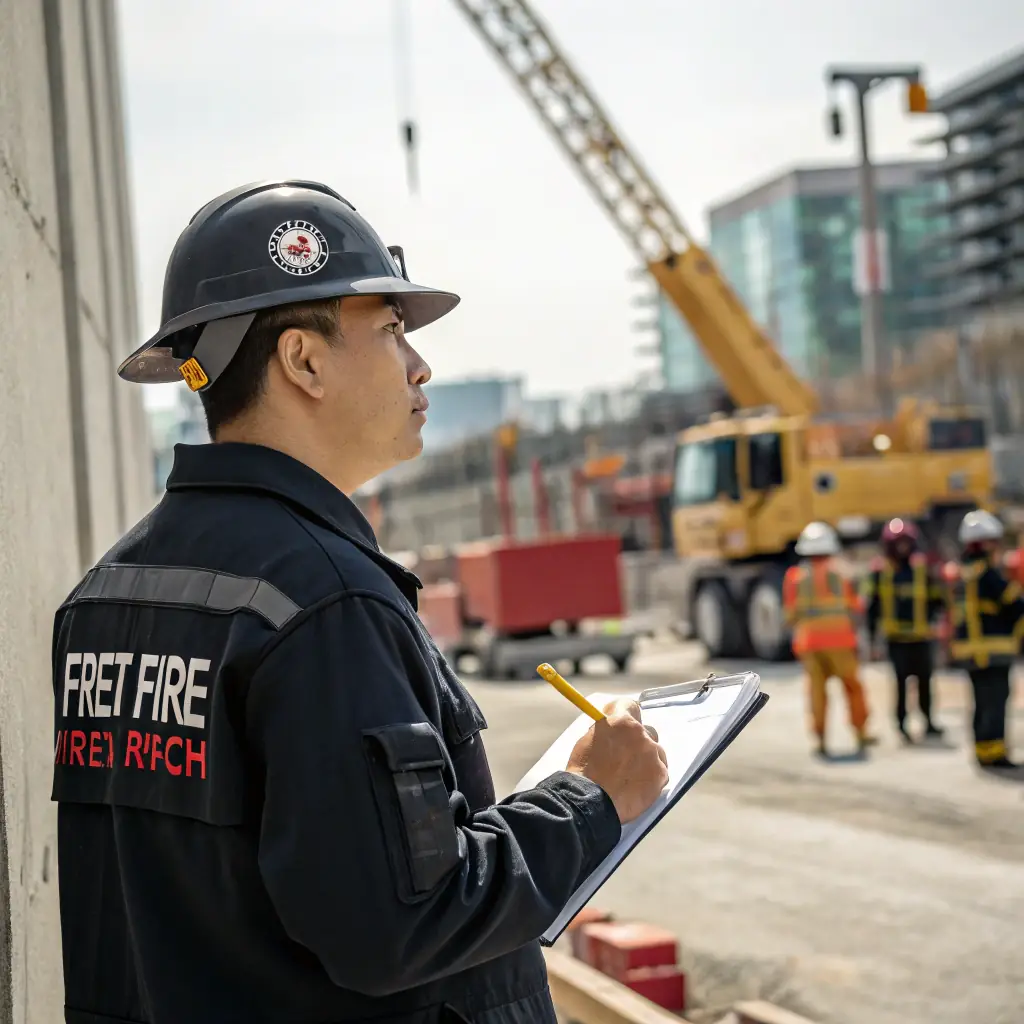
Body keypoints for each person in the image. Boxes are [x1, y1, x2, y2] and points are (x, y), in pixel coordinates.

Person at [50, 180, 669, 1024]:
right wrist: (593, 799)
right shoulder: (325, 604)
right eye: (389, 330)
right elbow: (403, 922)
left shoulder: (105, 595)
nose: (420, 365)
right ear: (302, 360)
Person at [783, 521, 876, 758]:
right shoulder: (842, 573)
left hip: (810, 644)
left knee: (816, 693)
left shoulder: (795, 577)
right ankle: (861, 732)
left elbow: (791, 614)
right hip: (841, 642)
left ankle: (821, 739)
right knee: (853, 688)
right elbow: (855, 606)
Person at [945, 509, 1023, 770]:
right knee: (996, 701)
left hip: (969, 652)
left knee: (981, 701)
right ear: (987, 543)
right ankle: (995, 753)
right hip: (993, 650)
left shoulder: (960, 574)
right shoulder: (988, 574)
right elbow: (1015, 605)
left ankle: (983, 750)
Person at [863, 518, 946, 743]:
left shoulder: (922, 569)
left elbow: (937, 600)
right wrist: (871, 641)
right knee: (900, 684)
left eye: (906, 543)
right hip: (896, 640)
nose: (903, 548)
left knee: (925, 683)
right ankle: (901, 724)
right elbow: (873, 608)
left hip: (921, 638)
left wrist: (940, 622)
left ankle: (928, 722)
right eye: (898, 544)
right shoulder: (880, 572)